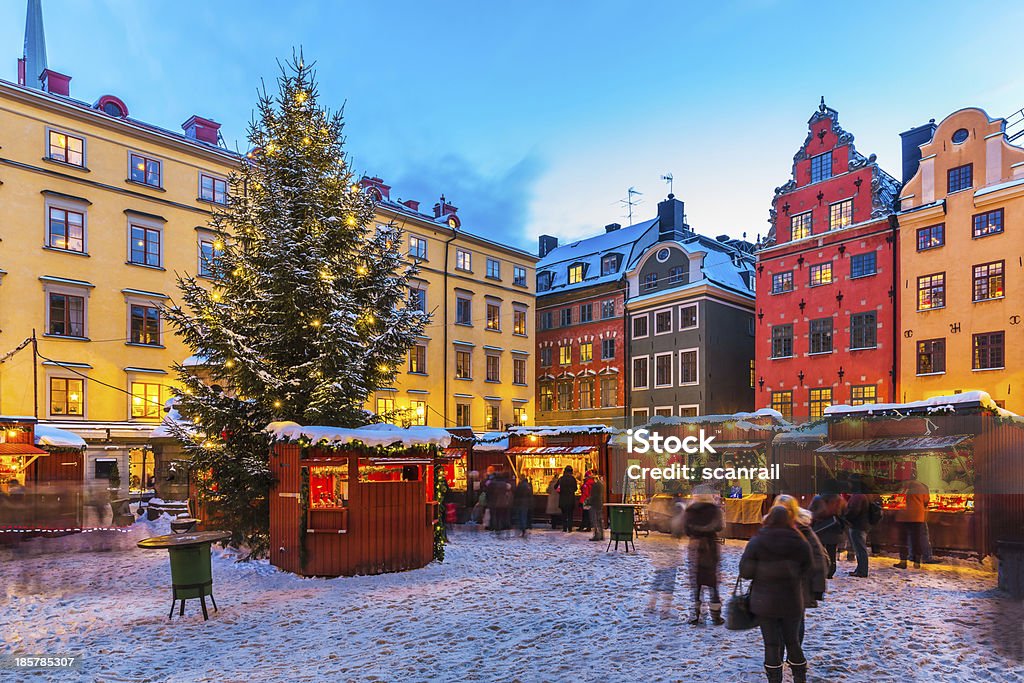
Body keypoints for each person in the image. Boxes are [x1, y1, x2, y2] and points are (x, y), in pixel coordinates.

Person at [740, 505, 813, 683]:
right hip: (792, 600)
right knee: (793, 641)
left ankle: (774, 680)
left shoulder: (757, 540)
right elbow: (808, 568)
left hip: (765, 602)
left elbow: (745, 572)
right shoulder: (800, 539)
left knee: (771, 644)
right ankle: (800, 677)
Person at [684, 488, 724, 626]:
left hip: (696, 547)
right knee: (713, 583)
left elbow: (687, 529)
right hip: (711, 547)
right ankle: (716, 616)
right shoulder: (715, 510)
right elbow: (720, 526)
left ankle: (695, 615)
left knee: (696, 583)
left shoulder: (690, 510)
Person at [894, 469, 930, 569]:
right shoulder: (923, 487)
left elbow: (897, 499)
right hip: (918, 516)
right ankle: (917, 562)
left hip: (903, 516)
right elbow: (926, 501)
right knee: (916, 539)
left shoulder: (904, 486)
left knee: (903, 540)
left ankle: (903, 561)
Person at [809, 493, 846, 579]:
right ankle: (831, 571)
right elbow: (845, 514)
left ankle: (821, 570)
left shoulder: (818, 499)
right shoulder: (840, 500)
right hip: (834, 529)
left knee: (819, 552)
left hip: (821, 529)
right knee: (832, 552)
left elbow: (811, 512)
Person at [844, 479, 876, 578]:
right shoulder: (865, 495)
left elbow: (854, 511)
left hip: (857, 525)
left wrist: (845, 515)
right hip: (863, 525)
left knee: (860, 549)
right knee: (860, 549)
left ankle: (862, 571)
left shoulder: (858, 496)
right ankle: (860, 569)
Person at [555, 466, 578, 533]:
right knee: (570, 515)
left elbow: (555, 487)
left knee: (564, 514)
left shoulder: (561, 479)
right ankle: (570, 528)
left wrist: (560, 491)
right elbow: (575, 488)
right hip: (571, 499)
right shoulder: (573, 479)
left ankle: (564, 528)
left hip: (563, 499)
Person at [587, 471, 605, 541]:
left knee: (595, 520)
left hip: (595, 504)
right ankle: (601, 535)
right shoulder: (601, 484)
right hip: (599, 503)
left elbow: (594, 495)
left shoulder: (596, 484)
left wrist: (589, 501)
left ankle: (597, 535)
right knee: (599, 519)